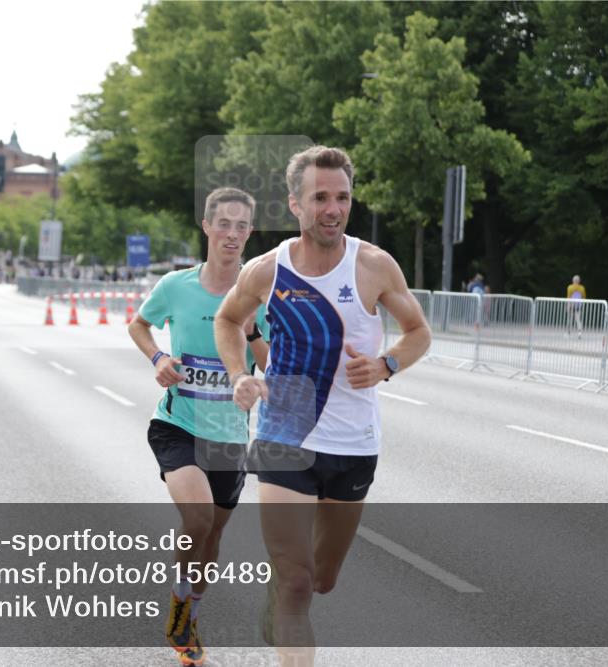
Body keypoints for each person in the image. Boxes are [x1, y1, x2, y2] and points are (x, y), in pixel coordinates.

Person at [214, 146, 431, 667]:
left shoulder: (375, 266)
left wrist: (387, 365)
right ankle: (285, 598)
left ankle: (287, 595)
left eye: (342, 197)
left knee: (323, 579)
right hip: (283, 437)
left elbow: (419, 333)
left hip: (352, 445)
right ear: (295, 204)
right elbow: (227, 321)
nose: (333, 209)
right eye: (320, 198)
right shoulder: (268, 271)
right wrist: (240, 375)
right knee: (296, 579)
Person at [127, 187, 270, 667]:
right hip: (177, 423)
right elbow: (138, 325)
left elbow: (271, 364)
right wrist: (159, 357)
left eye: (241, 226)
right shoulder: (176, 286)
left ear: (250, 233)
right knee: (198, 520)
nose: (232, 234)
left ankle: (187, 612)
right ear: (206, 227)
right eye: (223, 224)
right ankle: (179, 610)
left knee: (211, 541)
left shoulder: (263, 295)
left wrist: (249, 329)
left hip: (229, 434)